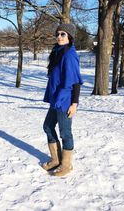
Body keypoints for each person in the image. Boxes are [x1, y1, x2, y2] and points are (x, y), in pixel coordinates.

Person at [42, 23, 83, 176]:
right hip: (56, 99)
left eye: (63, 34)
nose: (59, 36)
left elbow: (76, 81)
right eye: (57, 34)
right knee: (47, 126)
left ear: (70, 36)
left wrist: (74, 104)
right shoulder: (57, 51)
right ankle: (56, 160)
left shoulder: (69, 55)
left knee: (65, 133)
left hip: (65, 101)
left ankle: (66, 165)